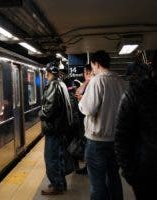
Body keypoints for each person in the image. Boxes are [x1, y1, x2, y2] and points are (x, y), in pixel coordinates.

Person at [78, 50, 125, 200]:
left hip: (97, 141)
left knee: (97, 183)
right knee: (114, 178)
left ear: (96, 64)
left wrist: (81, 101)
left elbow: (88, 109)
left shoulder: (98, 81)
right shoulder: (120, 81)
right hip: (116, 140)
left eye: (92, 65)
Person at [114, 51, 157, 200]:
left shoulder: (133, 95)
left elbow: (121, 138)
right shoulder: (134, 94)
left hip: (146, 172)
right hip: (146, 174)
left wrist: (130, 174)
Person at [39, 61, 73, 195]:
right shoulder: (62, 84)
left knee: (51, 157)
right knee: (59, 157)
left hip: (53, 128)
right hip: (60, 128)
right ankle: (60, 183)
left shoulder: (53, 85)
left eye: (46, 72)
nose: (45, 75)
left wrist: (40, 113)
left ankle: (56, 185)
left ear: (48, 73)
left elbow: (49, 110)